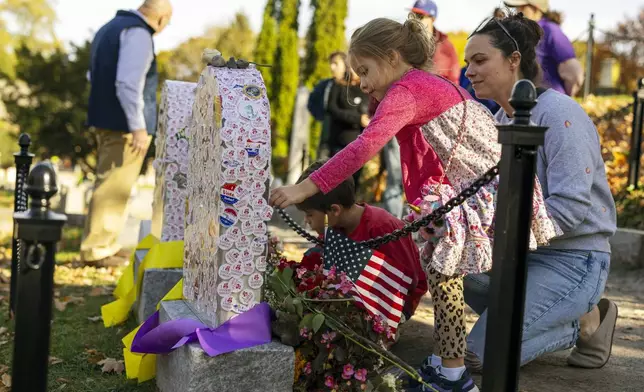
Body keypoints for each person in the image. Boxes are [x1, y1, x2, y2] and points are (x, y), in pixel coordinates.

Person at [270, 16, 560, 392]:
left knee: (444, 274)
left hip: (481, 187)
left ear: (391, 57)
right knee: (445, 275)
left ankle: (454, 375)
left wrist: (306, 188)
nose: (360, 81)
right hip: (471, 186)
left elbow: (364, 147)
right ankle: (446, 364)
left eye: (365, 70)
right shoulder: (419, 85)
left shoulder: (407, 91)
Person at [463, 13, 618, 372]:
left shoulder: (561, 115)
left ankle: (580, 322)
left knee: (476, 357)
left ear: (514, 60)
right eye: (468, 62)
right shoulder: (500, 120)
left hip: (574, 260)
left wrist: (501, 238)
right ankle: (561, 314)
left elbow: (570, 206)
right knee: (453, 270)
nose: (469, 70)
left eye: (480, 60)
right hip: (521, 256)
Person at [83, 0, 173, 266]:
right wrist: (138, 128)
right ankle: (97, 250)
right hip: (123, 125)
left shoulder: (109, 28)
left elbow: (93, 76)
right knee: (114, 186)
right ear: (161, 18)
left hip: (105, 118)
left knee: (108, 182)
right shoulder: (139, 34)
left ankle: (104, 245)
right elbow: (127, 83)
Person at [295, 160, 427, 319]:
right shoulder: (333, 226)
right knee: (314, 256)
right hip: (356, 292)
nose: (306, 221)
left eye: (309, 214)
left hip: (392, 302)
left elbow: (410, 281)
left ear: (334, 210)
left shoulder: (382, 227)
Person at [504, 0, 584, 96]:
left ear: (536, 8)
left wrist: (560, 100)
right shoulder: (525, 32)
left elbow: (574, 74)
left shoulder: (550, 30)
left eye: (522, 7)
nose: (517, 11)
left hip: (548, 103)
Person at [326, 66, 370, 187]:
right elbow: (332, 109)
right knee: (335, 182)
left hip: (359, 145)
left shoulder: (368, 87)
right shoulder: (339, 85)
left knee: (353, 184)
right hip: (339, 142)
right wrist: (357, 119)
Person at [307, 52, 350, 159]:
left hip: (347, 138)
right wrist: (322, 116)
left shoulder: (353, 85)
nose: (332, 67)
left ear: (345, 64)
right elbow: (312, 102)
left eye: (336, 63)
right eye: (331, 63)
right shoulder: (326, 85)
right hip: (327, 135)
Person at [409, 0, 460, 84]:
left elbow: (455, 81)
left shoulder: (447, 46)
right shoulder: (404, 43)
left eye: (420, 16)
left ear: (432, 19)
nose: (415, 20)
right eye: (413, 15)